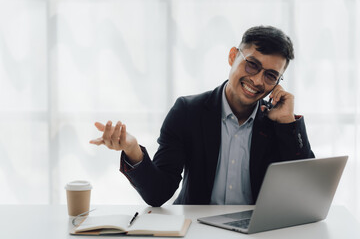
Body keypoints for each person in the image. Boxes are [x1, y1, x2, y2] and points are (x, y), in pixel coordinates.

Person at [90, 25, 314, 207]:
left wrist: (288, 123)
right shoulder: (188, 112)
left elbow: (307, 195)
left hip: (256, 232)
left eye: (271, 76)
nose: (257, 81)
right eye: (252, 65)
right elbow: (158, 193)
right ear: (233, 56)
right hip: (197, 229)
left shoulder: (276, 121)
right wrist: (133, 150)